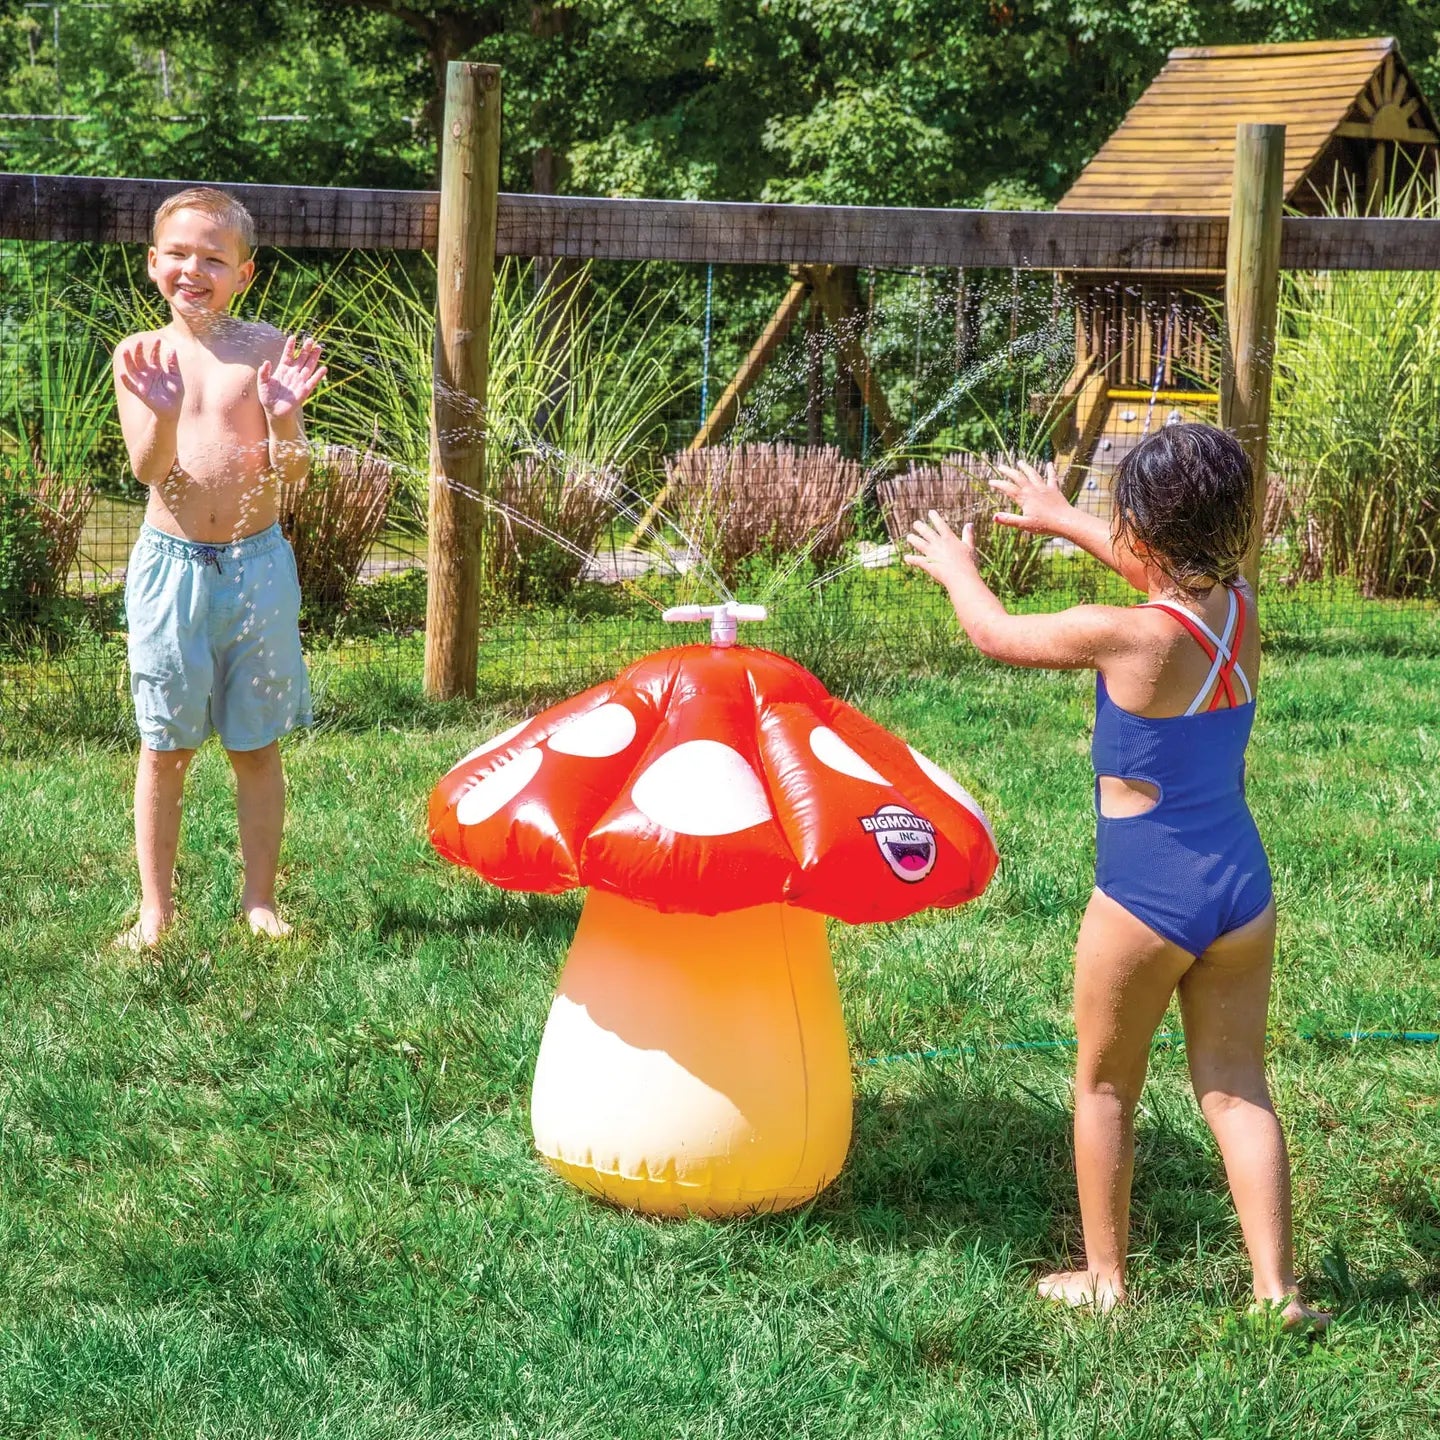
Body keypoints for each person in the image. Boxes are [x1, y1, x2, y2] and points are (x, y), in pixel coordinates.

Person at [905, 424, 1328, 1331]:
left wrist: (954, 569)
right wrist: (1062, 520)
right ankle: (1277, 1291)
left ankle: (1105, 1280)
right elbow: (1159, 574)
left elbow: (995, 633)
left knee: (1103, 1087)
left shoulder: (1122, 635)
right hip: (1242, 892)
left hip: (1148, 897)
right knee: (1237, 1085)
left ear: (1139, 528)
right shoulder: (1239, 607)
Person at [112, 187, 325, 948]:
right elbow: (147, 469)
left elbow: (294, 471)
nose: (193, 269)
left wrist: (285, 414)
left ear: (246, 273)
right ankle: (155, 910)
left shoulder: (267, 350)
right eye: (177, 254)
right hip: (170, 569)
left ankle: (260, 899)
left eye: (213, 258)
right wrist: (164, 412)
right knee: (165, 747)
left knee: (254, 745)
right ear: (151, 264)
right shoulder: (140, 355)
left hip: (256, 565)